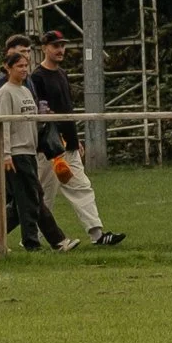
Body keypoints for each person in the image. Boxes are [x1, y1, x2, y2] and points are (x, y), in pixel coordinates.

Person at [28, 30, 124, 246]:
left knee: (82, 187)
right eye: (55, 46)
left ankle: (98, 235)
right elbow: (40, 114)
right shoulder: (37, 76)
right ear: (44, 48)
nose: (60, 50)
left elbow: (67, 109)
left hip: (68, 145)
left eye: (62, 45)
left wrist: (75, 139)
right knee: (44, 195)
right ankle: (33, 238)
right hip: (49, 147)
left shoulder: (62, 73)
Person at [0, 47, 72, 252]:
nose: (23, 69)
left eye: (25, 66)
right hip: (16, 153)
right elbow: (3, 126)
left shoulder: (26, 90)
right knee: (32, 198)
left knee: (25, 199)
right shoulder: (4, 93)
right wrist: (6, 154)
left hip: (29, 150)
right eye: (19, 66)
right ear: (7, 68)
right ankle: (35, 242)